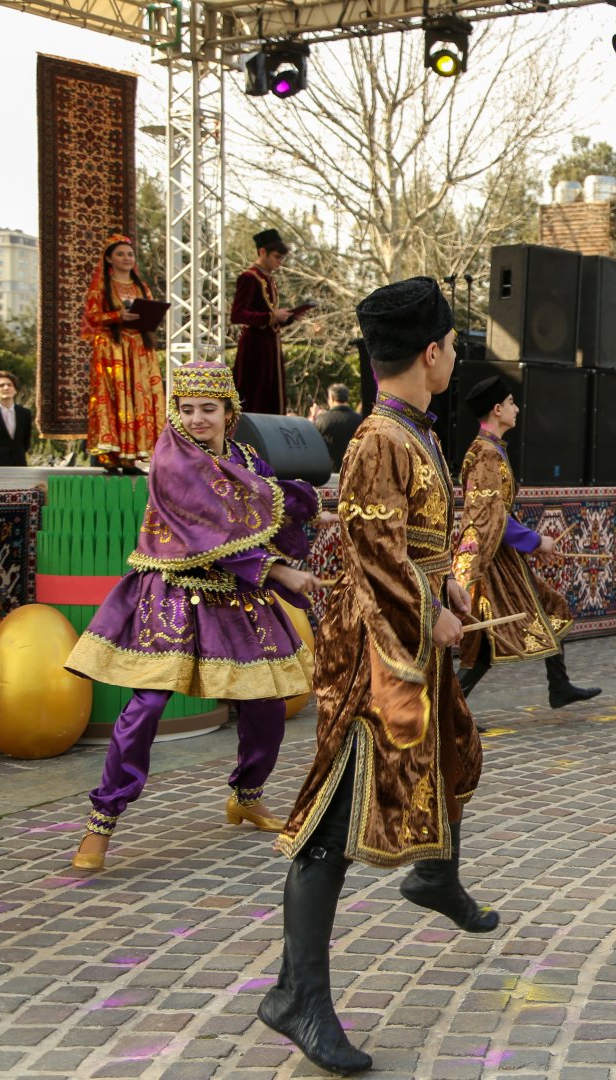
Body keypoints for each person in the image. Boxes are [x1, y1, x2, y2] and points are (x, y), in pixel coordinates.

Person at [266, 278, 491, 1076]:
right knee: (334, 820)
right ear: (430, 354)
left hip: (410, 639)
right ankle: (299, 995)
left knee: (456, 752)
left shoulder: (414, 430)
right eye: (455, 347)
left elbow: (418, 542)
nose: (456, 359)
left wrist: (452, 588)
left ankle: (436, 874)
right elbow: (373, 555)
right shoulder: (376, 441)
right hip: (374, 659)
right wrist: (428, 607)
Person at [63, 360, 323, 872]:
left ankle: (246, 796)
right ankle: (102, 822)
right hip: (176, 591)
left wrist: (315, 509)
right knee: (147, 706)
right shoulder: (173, 459)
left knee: (269, 702)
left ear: (231, 411)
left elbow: (266, 499)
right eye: (187, 410)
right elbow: (211, 535)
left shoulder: (244, 452)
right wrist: (280, 573)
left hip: (235, 594)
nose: (198, 419)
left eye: (209, 409)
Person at [454, 376, 601, 709]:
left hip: (499, 556)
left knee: (551, 608)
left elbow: (496, 513)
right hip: (486, 561)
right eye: (511, 403)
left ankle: (559, 685)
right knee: (484, 643)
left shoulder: (490, 450)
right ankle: (448, 713)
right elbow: (490, 516)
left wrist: (531, 543)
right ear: (497, 409)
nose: (517, 408)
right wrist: (535, 541)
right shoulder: (486, 455)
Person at [81, 234, 165, 471]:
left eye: (129, 254)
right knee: (115, 397)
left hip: (138, 347)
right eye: (120, 254)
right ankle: (111, 454)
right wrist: (118, 316)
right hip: (112, 348)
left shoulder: (141, 286)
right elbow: (92, 317)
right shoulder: (101, 287)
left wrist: (149, 315)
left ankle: (133, 455)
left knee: (139, 397)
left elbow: (150, 313)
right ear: (109, 258)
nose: (127, 258)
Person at [232, 228, 295, 415]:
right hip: (255, 348)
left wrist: (287, 318)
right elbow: (238, 314)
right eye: (277, 257)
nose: (279, 263)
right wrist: (271, 316)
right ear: (262, 252)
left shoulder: (269, 279)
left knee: (270, 393)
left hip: (269, 345)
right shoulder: (249, 278)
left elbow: (270, 316)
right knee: (255, 394)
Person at [0, 369, 33, 466]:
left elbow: (26, 443)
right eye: (1, 385)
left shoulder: (25, 414)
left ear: (15, 390)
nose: (6, 387)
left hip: (19, 466)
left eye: (10, 385)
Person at [312, 383, 361, 470]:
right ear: (347, 398)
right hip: (353, 470)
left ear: (331, 398)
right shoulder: (360, 420)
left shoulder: (322, 420)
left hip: (330, 472)